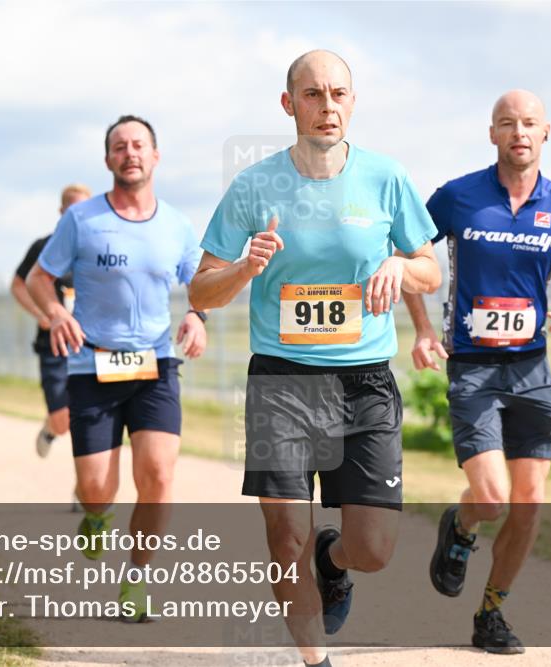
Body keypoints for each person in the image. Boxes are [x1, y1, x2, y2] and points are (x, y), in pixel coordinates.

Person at [189, 51, 440, 667]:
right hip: (282, 382)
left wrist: (401, 263)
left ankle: (335, 562)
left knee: (374, 548)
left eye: (339, 94)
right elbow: (201, 291)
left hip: (365, 384)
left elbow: (432, 270)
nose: (327, 107)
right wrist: (247, 266)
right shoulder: (255, 185)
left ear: (353, 102)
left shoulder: (386, 178)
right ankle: (315, 660)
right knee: (285, 537)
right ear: (288, 104)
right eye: (312, 95)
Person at [404, 90, 551, 654]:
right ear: (492, 133)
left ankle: (491, 613)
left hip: (532, 370)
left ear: (547, 133)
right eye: (507, 123)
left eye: (529, 124)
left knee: (530, 502)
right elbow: (408, 258)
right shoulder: (457, 197)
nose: (519, 132)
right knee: (492, 497)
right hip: (471, 369)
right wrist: (423, 329)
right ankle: (463, 524)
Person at [26, 115, 207, 622]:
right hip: (92, 368)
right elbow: (40, 277)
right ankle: (96, 514)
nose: (130, 153)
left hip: (155, 364)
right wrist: (57, 312)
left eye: (139, 145)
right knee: (96, 488)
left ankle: (138, 576)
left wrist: (198, 315)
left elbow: (202, 284)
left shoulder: (176, 224)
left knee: (157, 475)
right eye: (120, 146)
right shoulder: (81, 220)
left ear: (155, 156)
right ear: (108, 160)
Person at [12, 184, 92, 457]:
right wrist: (42, 314)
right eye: (73, 209)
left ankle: (85, 493)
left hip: (90, 345)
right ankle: (50, 427)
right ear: (61, 211)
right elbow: (19, 285)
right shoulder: (43, 246)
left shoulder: (95, 247)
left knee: (90, 420)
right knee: (62, 419)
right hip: (54, 344)